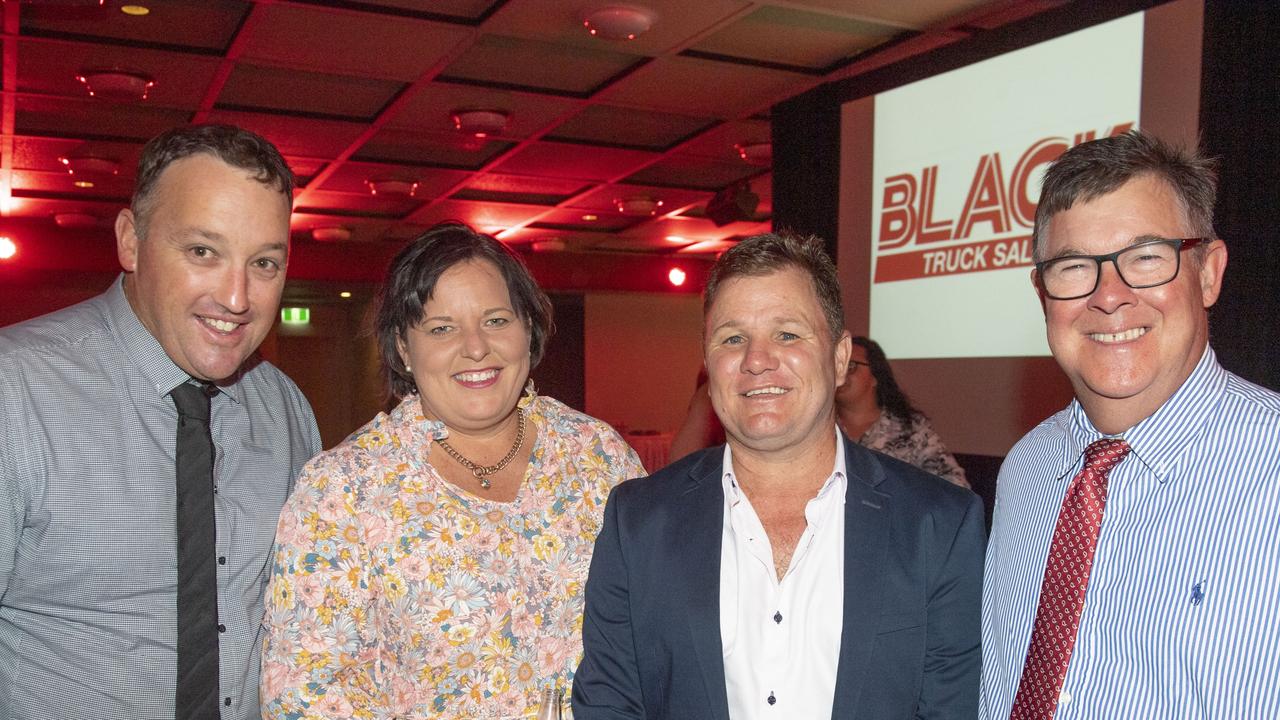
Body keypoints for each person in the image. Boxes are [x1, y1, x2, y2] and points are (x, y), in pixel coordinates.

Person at [573, 232, 986, 719]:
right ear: (708, 364)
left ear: (837, 359)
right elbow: (610, 703)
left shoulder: (938, 524)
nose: (756, 360)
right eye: (732, 338)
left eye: (787, 334)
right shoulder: (638, 521)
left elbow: (951, 708)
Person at [260, 222, 645, 719]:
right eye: (441, 328)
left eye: (497, 320)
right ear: (403, 346)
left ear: (528, 328)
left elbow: (655, 631)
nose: (476, 347)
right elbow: (306, 695)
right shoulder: (344, 491)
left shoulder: (598, 457)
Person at [0, 124, 320, 718]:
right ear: (131, 241)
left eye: (265, 262)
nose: (236, 297)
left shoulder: (285, 411)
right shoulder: (14, 390)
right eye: (203, 251)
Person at [980, 130, 1280, 718]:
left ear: (1209, 273)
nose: (1109, 297)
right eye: (1072, 267)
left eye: (1146, 257)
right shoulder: (1026, 470)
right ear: (1042, 293)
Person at [836, 336, 969, 487]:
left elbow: (955, 485)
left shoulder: (910, 429)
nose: (841, 372)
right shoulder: (822, 427)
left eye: (851, 365)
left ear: (875, 376)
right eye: (837, 365)